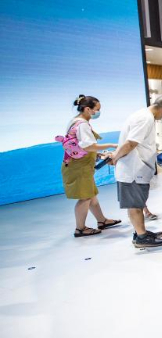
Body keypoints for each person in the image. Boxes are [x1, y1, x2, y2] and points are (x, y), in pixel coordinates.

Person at [111, 96, 162, 248]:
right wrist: (115, 157)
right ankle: (141, 237)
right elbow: (131, 143)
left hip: (136, 168)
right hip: (133, 169)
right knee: (135, 205)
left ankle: (141, 231)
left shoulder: (144, 116)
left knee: (137, 203)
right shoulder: (145, 118)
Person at [62, 95, 121, 237]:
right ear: (87, 109)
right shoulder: (82, 124)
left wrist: (99, 155)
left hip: (79, 165)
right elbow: (88, 146)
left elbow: (80, 146)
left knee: (91, 195)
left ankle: (102, 221)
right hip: (79, 167)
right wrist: (112, 145)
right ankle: (80, 229)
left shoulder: (75, 121)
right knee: (85, 197)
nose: (98, 112)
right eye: (97, 109)